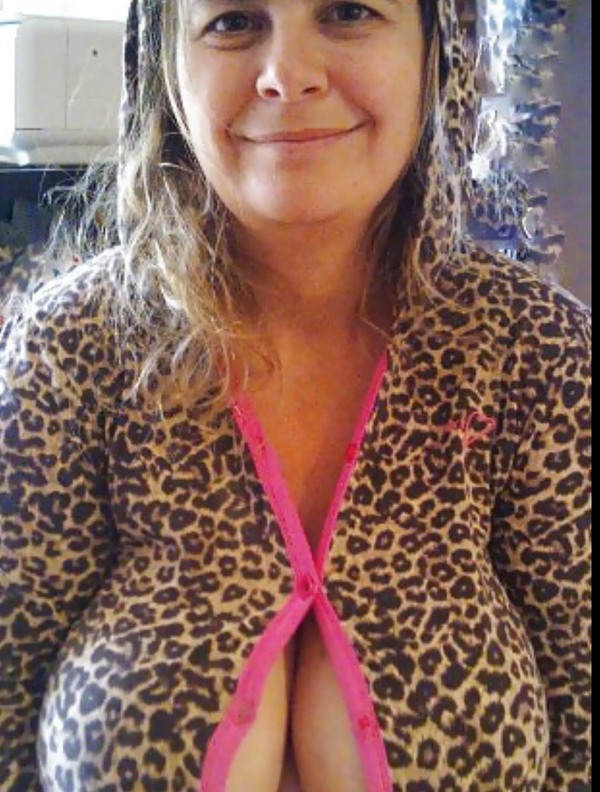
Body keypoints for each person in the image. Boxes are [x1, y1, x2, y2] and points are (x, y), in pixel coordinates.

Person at [0, 0, 591, 790]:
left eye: (348, 12)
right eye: (233, 21)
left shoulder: (538, 351)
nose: (287, 75)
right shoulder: (67, 350)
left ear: (435, 52)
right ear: (163, 66)